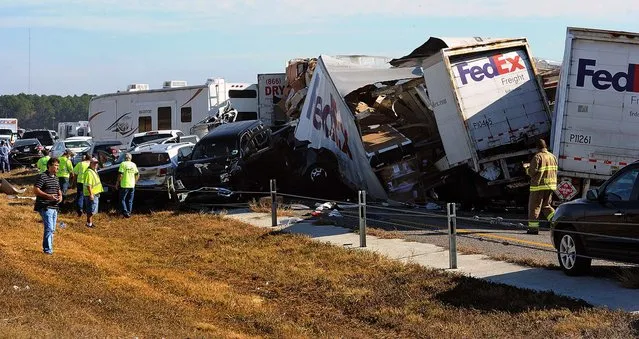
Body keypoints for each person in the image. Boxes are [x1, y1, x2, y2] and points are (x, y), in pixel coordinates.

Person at [525, 139, 558, 235]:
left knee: (534, 208)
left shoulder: (537, 156)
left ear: (537, 148)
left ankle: (533, 229)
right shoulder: (553, 157)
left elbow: (532, 172)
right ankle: (557, 222)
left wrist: (526, 168)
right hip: (550, 185)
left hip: (539, 187)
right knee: (546, 206)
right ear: (545, 146)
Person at [33, 158, 62, 255]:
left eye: (58, 165)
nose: (57, 167)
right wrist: (48, 196)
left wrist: (60, 196)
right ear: (49, 166)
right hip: (45, 206)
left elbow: (58, 190)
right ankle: (48, 250)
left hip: (54, 207)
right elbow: (36, 190)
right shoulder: (43, 176)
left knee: (52, 229)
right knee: (49, 228)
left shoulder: (56, 178)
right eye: (55, 165)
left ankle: (49, 248)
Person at [83, 157, 103, 228]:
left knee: (91, 209)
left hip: (94, 193)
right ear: (90, 163)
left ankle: (90, 223)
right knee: (91, 210)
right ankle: (89, 223)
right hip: (91, 194)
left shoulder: (94, 171)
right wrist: (91, 194)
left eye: (96, 163)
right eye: (94, 163)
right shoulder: (89, 172)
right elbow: (88, 185)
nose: (96, 165)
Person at [117, 153, 139, 218]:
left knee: (122, 199)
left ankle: (125, 212)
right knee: (130, 200)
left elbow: (120, 174)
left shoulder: (123, 164)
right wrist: (135, 182)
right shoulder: (133, 164)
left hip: (124, 184)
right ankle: (129, 213)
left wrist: (117, 182)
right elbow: (137, 174)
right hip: (132, 185)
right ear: (130, 158)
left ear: (125, 158)